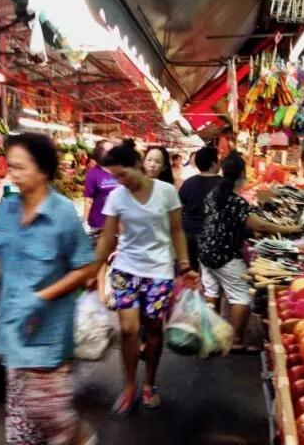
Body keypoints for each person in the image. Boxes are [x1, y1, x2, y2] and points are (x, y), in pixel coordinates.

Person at [0, 133, 98, 445]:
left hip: (49, 336)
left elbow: (86, 267)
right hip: (14, 330)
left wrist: (42, 297)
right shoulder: (6, 210)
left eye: (20, 167)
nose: (12, 173)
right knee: (20, 424)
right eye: (12, 167)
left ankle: (81, 438)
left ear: (43, 171)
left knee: (51, 416)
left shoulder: (62, 214)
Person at [96, 139, 192, 416]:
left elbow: (176, 231)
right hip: (126, 269)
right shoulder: (117, 197)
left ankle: (149, 383)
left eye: (122, 174)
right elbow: (106, 239)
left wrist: (183, 263)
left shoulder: (166, 192)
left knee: (152, 331)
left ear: (137, 165)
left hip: (159, 271)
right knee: (127, 330)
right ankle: (128, 385)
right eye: (114, 177)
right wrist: (93, 269)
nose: (120, 181)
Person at [198, 151, 302, 352]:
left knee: (212, 292)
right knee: (242, 297)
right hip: (225, 253)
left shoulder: (215, 193)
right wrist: (293, 229)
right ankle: (235, 341)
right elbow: (261, 226)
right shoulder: (236, 202)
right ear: (241, 174)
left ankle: (211, 335)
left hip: (206, 249)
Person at [179, 147, 221, 271]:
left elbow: (179, 208)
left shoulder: (188, 183)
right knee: (210, 271)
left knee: (192, 268)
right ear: (213, 164)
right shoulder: (223, 184)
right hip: (213, 234)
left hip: (189, 233)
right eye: (218, 161)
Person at [83, 140, 118, 230]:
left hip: (117, 223)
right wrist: (84, 223)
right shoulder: (93, 174)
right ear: (102, 153)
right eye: (110, 150)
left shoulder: (117, 171)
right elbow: (88, 200)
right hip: (99, 224)